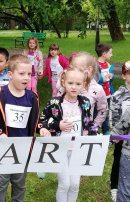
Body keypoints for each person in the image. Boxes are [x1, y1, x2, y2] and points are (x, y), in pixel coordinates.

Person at [0, 54, 50, 201]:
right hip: (2, 149)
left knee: (19, 183)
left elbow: (34, 120)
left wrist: (41, 128)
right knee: (0, 184)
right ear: (10, 74)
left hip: (22, 149)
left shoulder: (33, 97)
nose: (26, 78)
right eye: (22, 74)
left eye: (29, 74)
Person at [40, 67, 96, 202]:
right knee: (65, 184)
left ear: (84, 85)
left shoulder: (85, 103)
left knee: (75, 184)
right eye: (70, 83)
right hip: (59, 148)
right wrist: (56, 126)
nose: (74, 87)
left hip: (78, 149)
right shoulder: (55, 103)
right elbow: (42, 120)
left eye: (78, 84)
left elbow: (89, 123)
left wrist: (96, 141)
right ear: (63, 82)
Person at [58, 52, 108, 135]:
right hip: (64, 130)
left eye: (76, 68)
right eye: (71, 68)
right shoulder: (67, 85)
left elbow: (103, 109)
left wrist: (95, 126)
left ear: (89, 69)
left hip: (85, 132)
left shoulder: (97, 89)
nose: (72, 71)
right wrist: (58, 123)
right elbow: (57, 103)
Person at [109, 61, 130, 201]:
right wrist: (116, 135)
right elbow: (114, 116)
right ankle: (115, 187)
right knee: (118, 162)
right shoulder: (118, 95)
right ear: (124, 75)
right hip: (121, 137)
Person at [96, 42, 114, 135]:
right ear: (104, 54)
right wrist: (103, 77)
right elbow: (94, 78)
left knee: (106, 112)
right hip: (98, 95)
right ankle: (94, 128)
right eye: (110, 53)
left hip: (108, 94)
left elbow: (110, 79)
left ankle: (105, 130)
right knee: (97, 112)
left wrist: (112, 76)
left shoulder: (108, 65)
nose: (112, 55)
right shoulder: (95, 65)